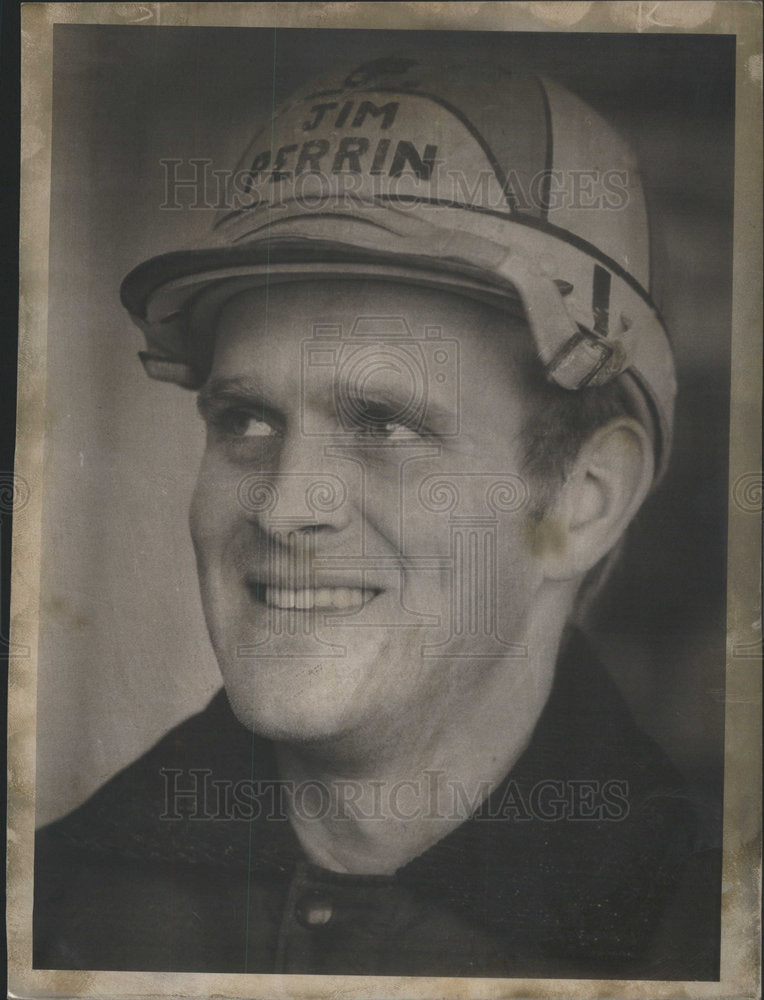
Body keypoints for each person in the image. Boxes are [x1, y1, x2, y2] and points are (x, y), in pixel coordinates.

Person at [33, 51, 720, 978]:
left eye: (385, 424)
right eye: (245, 420)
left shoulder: (706, 932)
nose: (283, 507)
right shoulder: (50, 900)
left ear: (582, 504)